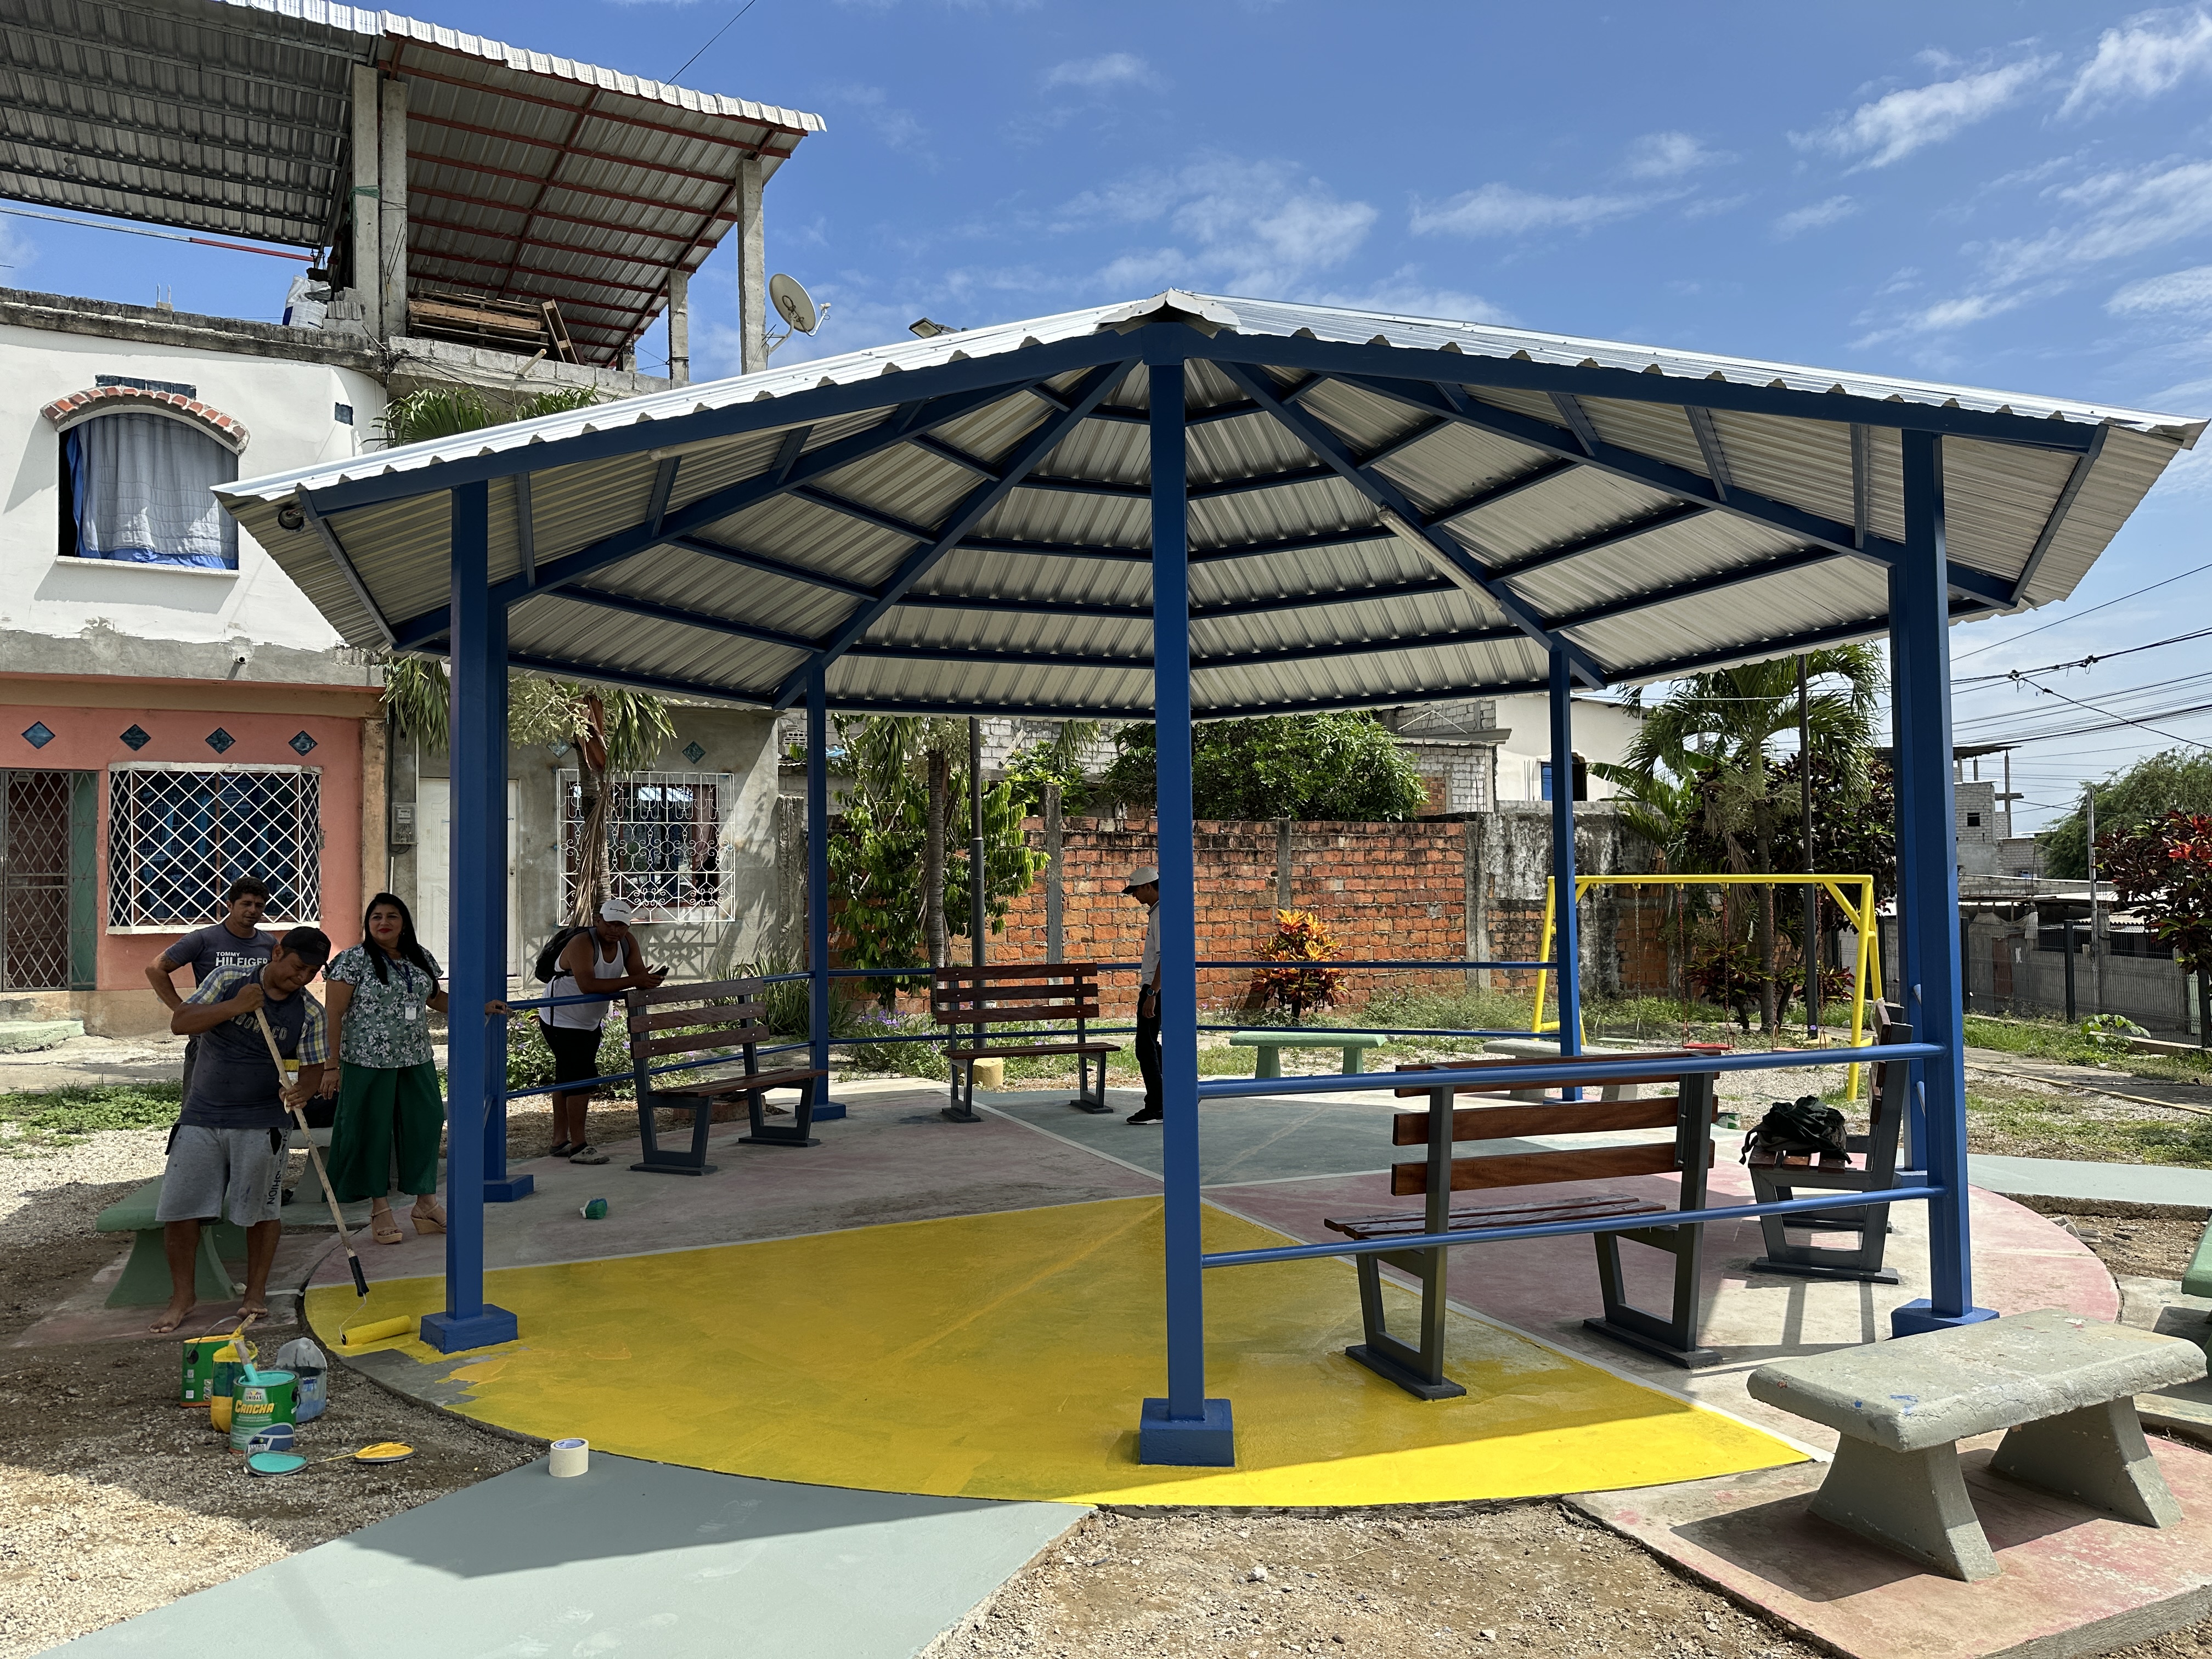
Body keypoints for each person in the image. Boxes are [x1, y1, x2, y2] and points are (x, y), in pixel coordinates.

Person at [150, 926, 331, 1334]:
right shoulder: (228, 980)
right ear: (278, 952)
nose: (302, 977)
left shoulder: (310, 1012)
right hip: (202, 1116)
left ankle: (256, 1293)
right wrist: (236, 1006)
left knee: (262, 1213)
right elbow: (182, 1022)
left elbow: (313, 1069)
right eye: (298, 967)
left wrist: (302, 1090)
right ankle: (182, 1298)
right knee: (180, 1211)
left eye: (311, 972)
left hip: (262, 1123)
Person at [324, 893, 507, 1245]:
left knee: (426, 1122)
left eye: (392, 916)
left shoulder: (419, 957)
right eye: (376, 917)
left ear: (404, 923)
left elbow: (435, 998)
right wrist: (331, 1065)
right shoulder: (353, 960)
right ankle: (380, 1208)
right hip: (367, 1061)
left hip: (415, 1058)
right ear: (368, 923)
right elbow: (333, 1013)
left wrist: (478, 1007)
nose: (383, 923)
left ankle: (425, 1203)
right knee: (372, 1132)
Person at [541, 898, 665, 1164]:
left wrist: (649, 980)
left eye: (622, 925)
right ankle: (578, 1146)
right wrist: (636, 980)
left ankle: (559, 1141)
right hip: (560, 1018)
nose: (615, 930)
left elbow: (637, 975)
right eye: (610, 923)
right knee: (581, 1079)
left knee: (568, 1077)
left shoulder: (627, 942)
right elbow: (588, 985)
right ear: (598, 921)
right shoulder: (582, 943)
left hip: (589, 1021)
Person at [145, 877, 276, 1103]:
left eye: (259, 905)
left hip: (252, 1043)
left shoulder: (269, 944)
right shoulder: (204, 939)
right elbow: (155, 969)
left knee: (248, 1108)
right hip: (208, 1040)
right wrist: (181, 1009)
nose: (253, 910)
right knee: (197, 1108)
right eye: (246, 904)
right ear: (230, 905)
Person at [1124, 865, 1163, 1125]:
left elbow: (1165, 958)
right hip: (1157, 988)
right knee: (1151, 1046)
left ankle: (1157, 1106)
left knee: (1145, 1047)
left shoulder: (1160, 916)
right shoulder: (1159, 913)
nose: (1135, 895)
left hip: (1156, 989)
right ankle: (1176, 1093)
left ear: (1148, 886)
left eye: (1136, 890)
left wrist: (1152, 993)